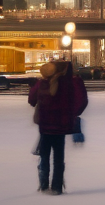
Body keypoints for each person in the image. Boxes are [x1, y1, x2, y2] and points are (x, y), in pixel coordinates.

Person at [27, 59, 87, 195]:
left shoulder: (42, 83)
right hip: (61, 125)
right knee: (58, 158)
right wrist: (72, 114)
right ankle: (57, 187)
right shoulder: (68, 84)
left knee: (44, 156)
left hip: (45, 125)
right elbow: (81, 101)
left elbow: (31, 100)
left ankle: (43, 185)